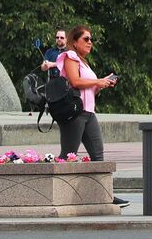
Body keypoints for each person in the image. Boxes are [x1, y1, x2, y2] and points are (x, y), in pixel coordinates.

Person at [57, 25, 128, 207]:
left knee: (98, 156)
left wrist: (101, 84)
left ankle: (106, 195)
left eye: (91, 39)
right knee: (68, 155)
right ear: (74, 41)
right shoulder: (70, 57)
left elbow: (88, 90)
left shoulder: (84, 62)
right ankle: (54, 192)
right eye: (86, 39)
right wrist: (97, 80)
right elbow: (75, 82)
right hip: (75, 114)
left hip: (89, 113)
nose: (90, 42)